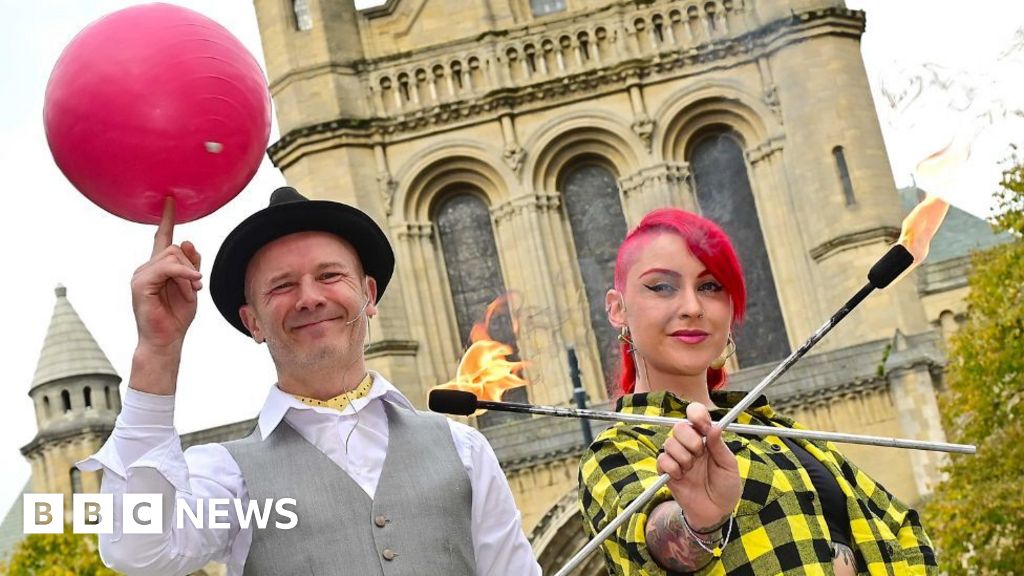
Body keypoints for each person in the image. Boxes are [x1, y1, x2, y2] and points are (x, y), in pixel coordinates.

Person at [80, 187, 541, 576]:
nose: (310, 298)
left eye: (329, 275)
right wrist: (157, 349)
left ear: (368, 294)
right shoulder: (226, 475)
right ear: (253, 322)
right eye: (282, 286)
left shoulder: (464, 450)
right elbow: (136, 550)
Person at [577, 208, 937, 575]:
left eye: (710, 287)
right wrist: (698, 522)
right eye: (661, 287)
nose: (692, 307)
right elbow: (651, 540)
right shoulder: (616, 451)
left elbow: (903, 531)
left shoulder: (779, 432)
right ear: (617, 309)